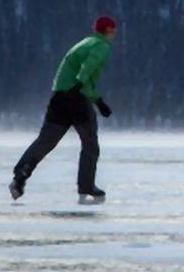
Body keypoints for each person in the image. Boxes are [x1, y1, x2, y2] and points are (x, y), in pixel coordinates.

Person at [10, 15, 117, 204]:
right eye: (112, 30)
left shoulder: (84, 42)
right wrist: (82, 87)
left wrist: (97, 100)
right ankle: (86, 186)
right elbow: (88, 68)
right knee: (90, 143)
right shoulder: (101, 46)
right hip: (76, 98)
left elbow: (71, 74)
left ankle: (20, 175)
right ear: (107, 31)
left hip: (59, 96)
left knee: (46, 141)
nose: (114, 34)